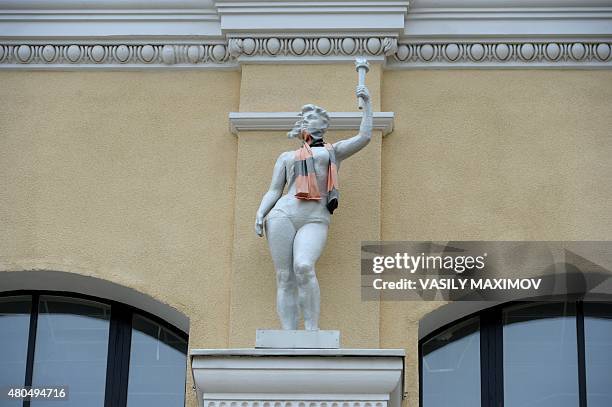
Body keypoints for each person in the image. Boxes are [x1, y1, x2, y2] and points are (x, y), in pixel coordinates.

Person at [255, 85, 373, 330]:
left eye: (314, 118)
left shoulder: (332, 152)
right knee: (284, 276)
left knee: (304, 266)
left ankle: (311, 329)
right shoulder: (287, 156)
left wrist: (367, 104)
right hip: (283, 214)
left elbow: (364, 137)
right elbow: (275, 190)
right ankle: (288, 334)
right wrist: (260, 211)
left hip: (315, 217)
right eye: (306, 118)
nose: (310, 121)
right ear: (302, 126)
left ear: (324, 125)